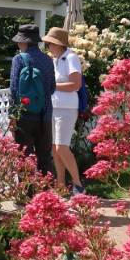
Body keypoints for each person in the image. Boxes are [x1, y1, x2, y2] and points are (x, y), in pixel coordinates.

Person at [9, 24, 55, 176]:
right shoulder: (48, 60)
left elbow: (14, 89)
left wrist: (12, 115)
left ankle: (26, 197)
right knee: (45, 158)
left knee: (24, 157)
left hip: (24, 116)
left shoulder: (18, 59)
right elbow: (52, 88)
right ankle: (45, 197)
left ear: (24, 42)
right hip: (45, 115)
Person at [42, 27, 84, 194]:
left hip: (67, 108)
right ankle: (61, 186)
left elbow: (76, 84)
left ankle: (78, 185)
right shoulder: (56, 59)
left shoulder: (70, 58)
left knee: (61, 147)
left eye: (50, 44)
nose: (48, 47)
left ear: (58, 44)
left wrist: (51, 86)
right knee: (54, 148)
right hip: (55, 108)